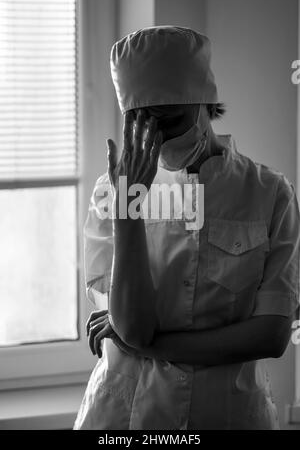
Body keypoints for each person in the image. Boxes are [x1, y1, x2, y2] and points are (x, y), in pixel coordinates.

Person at [73, 25, 300, 430]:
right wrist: (128, 209)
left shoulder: (270, 194)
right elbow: (134, 325)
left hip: (229, 414)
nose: (156, 139)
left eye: (169, 120)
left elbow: (271, 335)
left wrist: (155, 346)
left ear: (204, 102)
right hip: (124, 417)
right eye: (141, 123)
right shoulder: (112, 192)